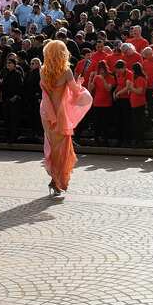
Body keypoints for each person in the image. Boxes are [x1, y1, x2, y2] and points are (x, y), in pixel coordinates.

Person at [39, 39, 92, 196]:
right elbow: (75, 92)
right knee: (61, 148)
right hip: (59, 114)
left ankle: (54, 178)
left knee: (51, 144)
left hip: (46, 112)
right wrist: (80, 83)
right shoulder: (66, 71)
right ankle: (56, 179)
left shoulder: (43, 70)